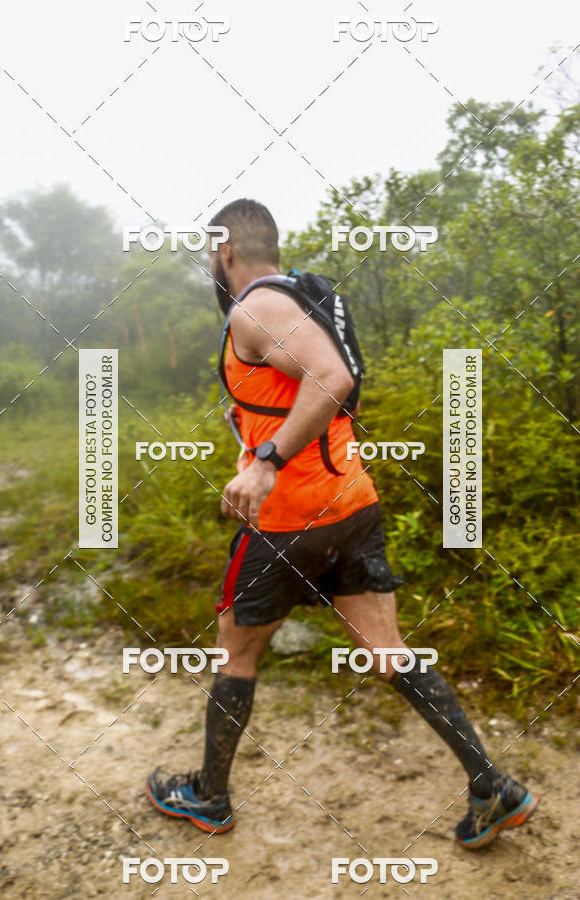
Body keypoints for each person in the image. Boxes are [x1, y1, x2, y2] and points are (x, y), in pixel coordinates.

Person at [147, 199, 539, 849]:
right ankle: (492, 787)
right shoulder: (303, 299)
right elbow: (311, 385)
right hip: (350, 505)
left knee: (235, 651)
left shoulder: (254, 307)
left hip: (286, 521)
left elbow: (331, 377)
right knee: (388, 650)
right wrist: (254, 429)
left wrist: (266, 462)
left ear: (224, 251)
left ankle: (209, 797)